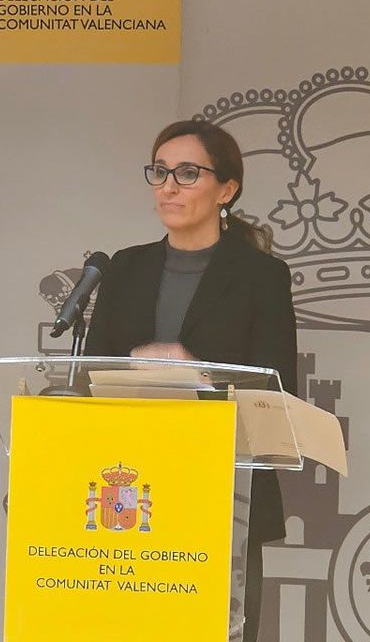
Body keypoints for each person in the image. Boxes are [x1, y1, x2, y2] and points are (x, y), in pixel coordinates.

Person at [84, 120, 296, 641]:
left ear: (227, 190)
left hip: (224, 496)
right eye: (160, 171)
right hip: (129, 487)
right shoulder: (124, 268)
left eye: (186, 172)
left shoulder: (262, 276)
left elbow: (276, 390)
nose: (168, 186)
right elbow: (88, 376)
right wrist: (138, 360)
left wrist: (191, 370)